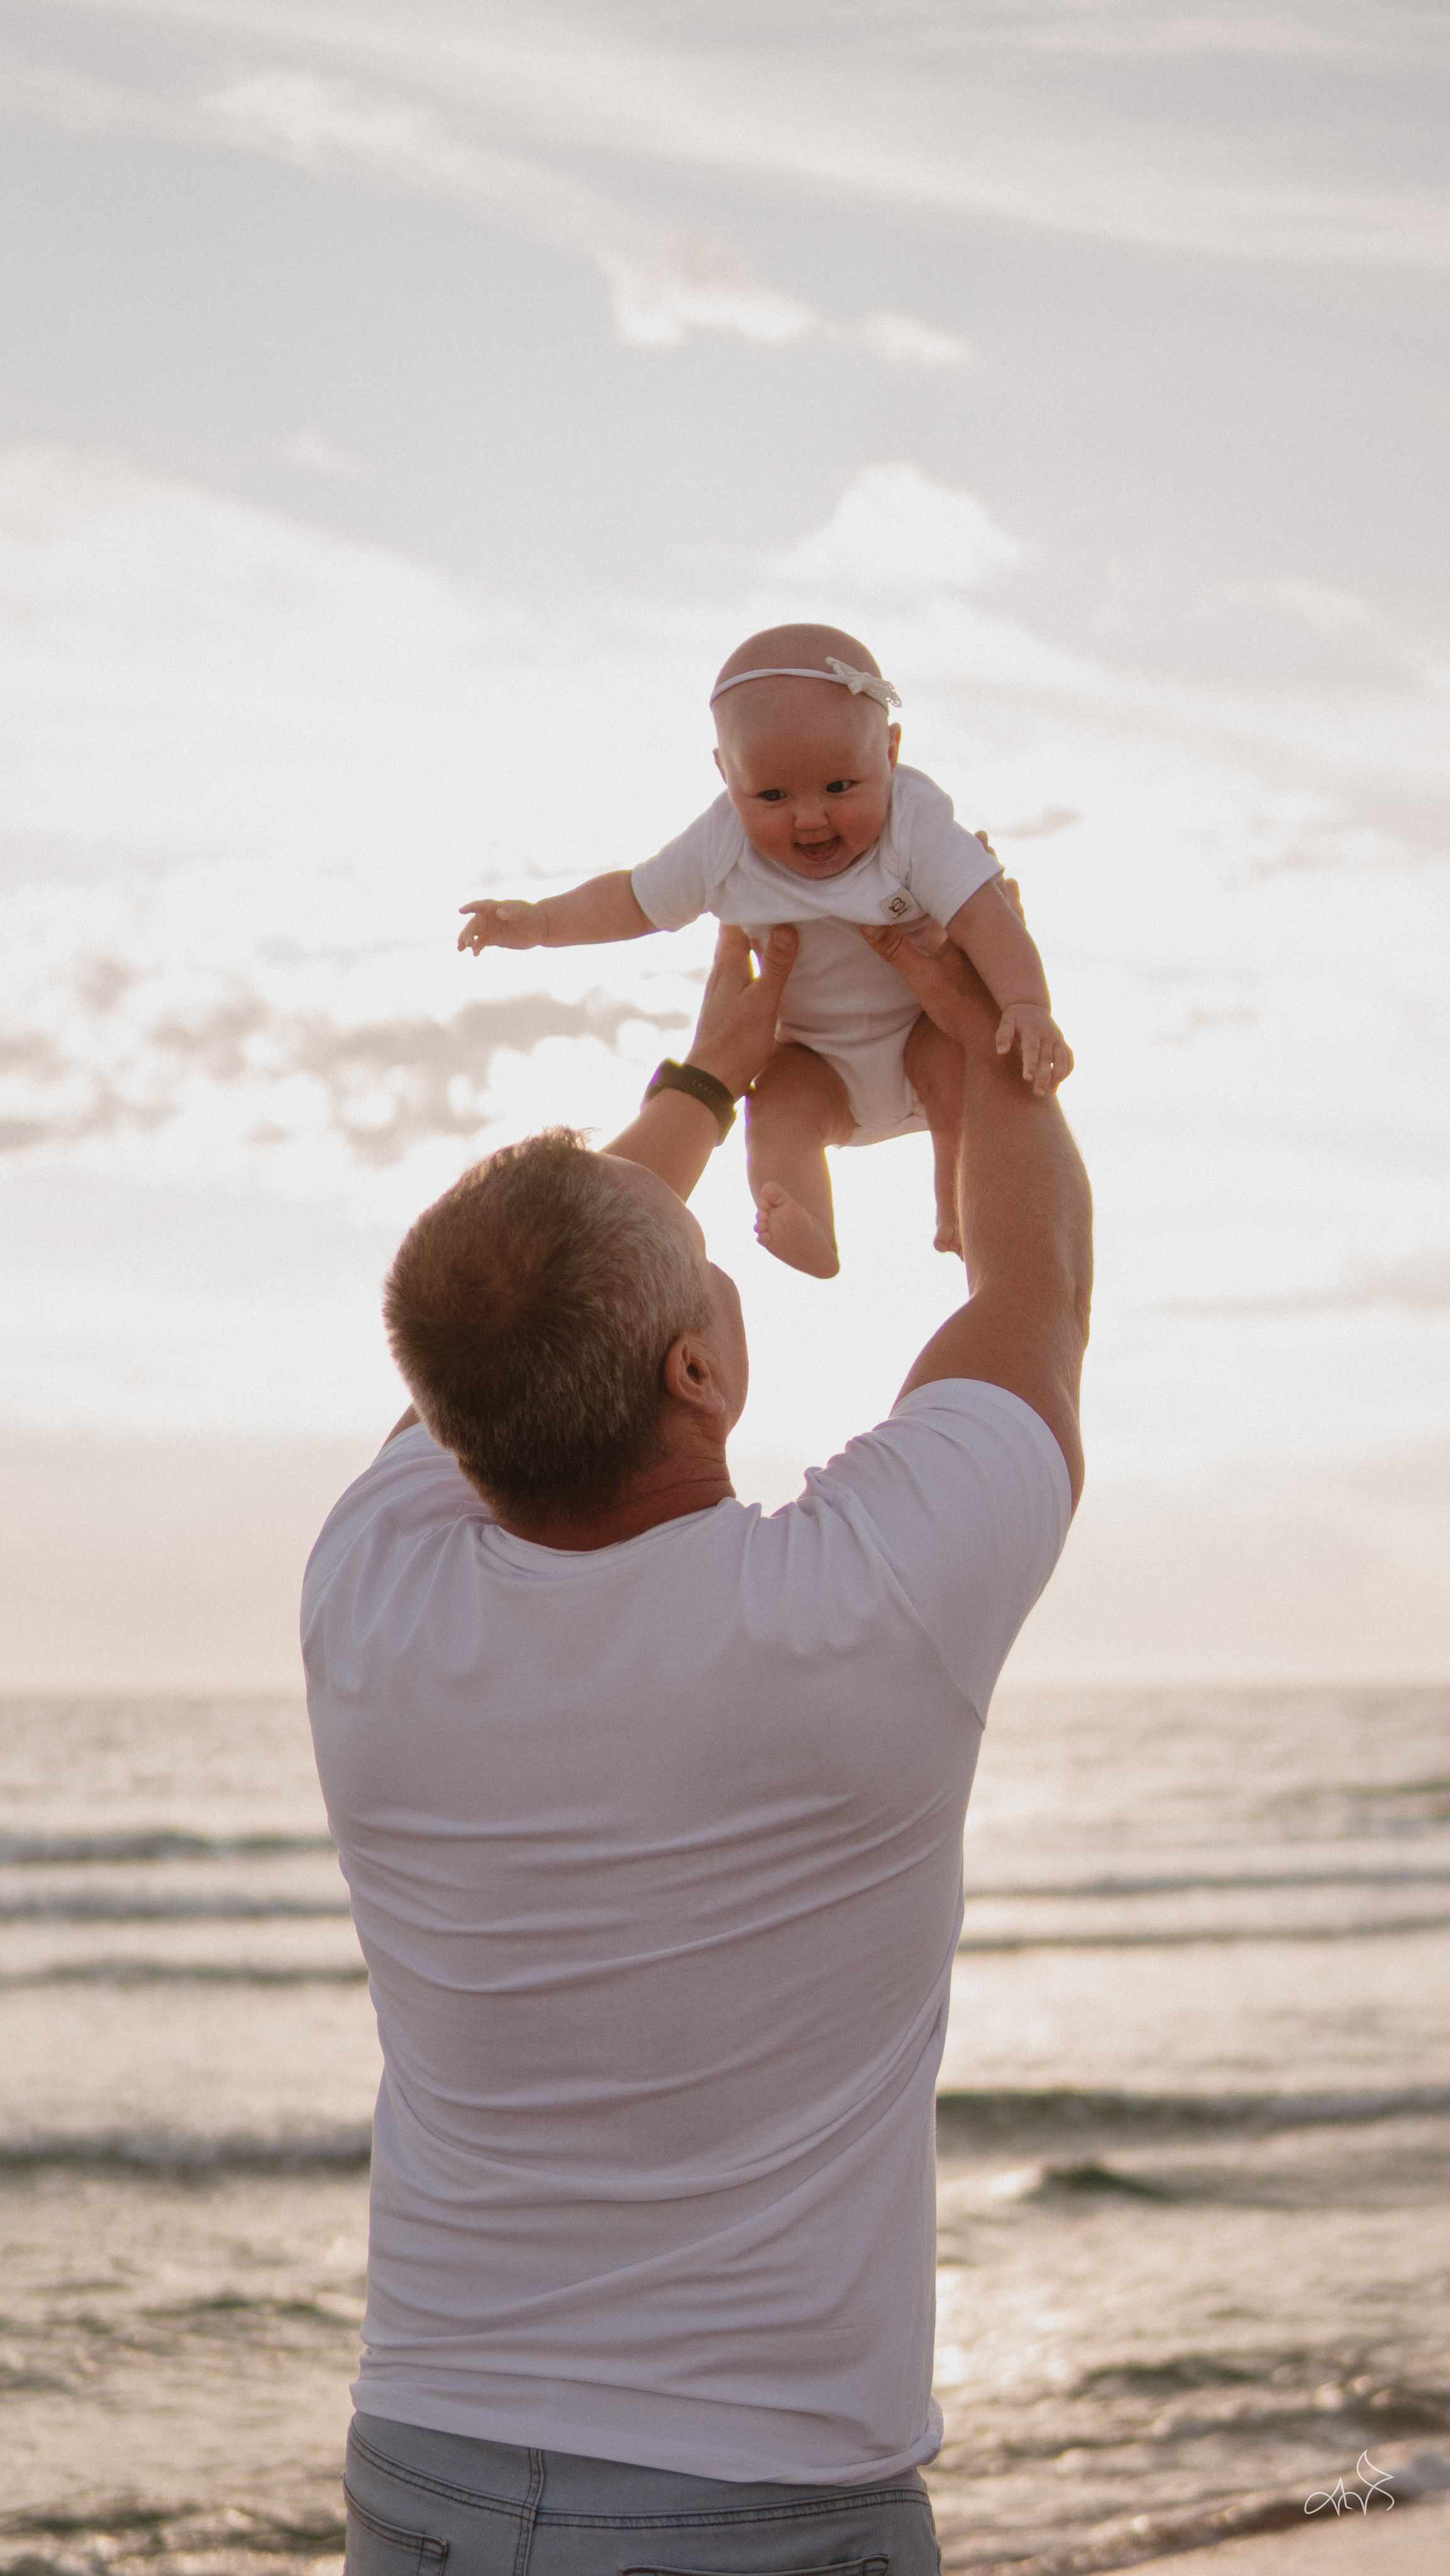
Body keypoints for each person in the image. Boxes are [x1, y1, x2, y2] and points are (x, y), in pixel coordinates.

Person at [302, 908, 1092, 2576]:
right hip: (759, 2505)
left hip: (426, 2468)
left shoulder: (367, 1589)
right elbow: (1035, 1293)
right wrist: (987, 1030)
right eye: (710, 1281)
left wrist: (707, 1077)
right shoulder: (869, 1606)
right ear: (698, 1370)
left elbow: (512, 1308)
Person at [458, 623, 1072, 1277]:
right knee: (775, 1104)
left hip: (923, 1027)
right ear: (726, 775)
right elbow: (635, 899)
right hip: (813, 1057)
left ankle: (957, 1206)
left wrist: (1025, 1004)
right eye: (773, 796)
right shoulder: (722, 844)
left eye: (840, 787)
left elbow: (985, 916)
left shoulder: (914, 822)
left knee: (955, 1072)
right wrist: (543, 922)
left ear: (890, 752)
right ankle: (805, 1222)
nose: (810, 818)